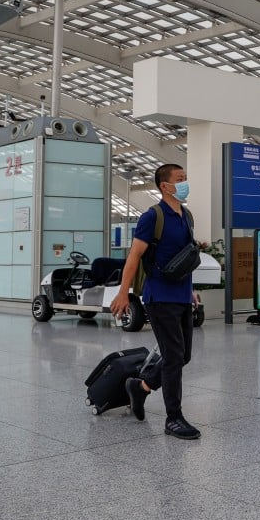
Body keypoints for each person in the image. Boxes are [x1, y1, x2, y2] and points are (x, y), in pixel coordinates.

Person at [110, 163, 200, 440]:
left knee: (183, 356)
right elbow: (134, 256)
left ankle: (141, 387)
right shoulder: (152, 216)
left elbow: (184, 257)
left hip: (182, 295)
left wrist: (192, 290)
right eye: (180, 179)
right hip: (159, 296)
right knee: (173, 357)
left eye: (185, 178)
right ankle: (173, 418)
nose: (184, 183)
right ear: (165, 186)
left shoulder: (186, 215)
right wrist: (123, 293)